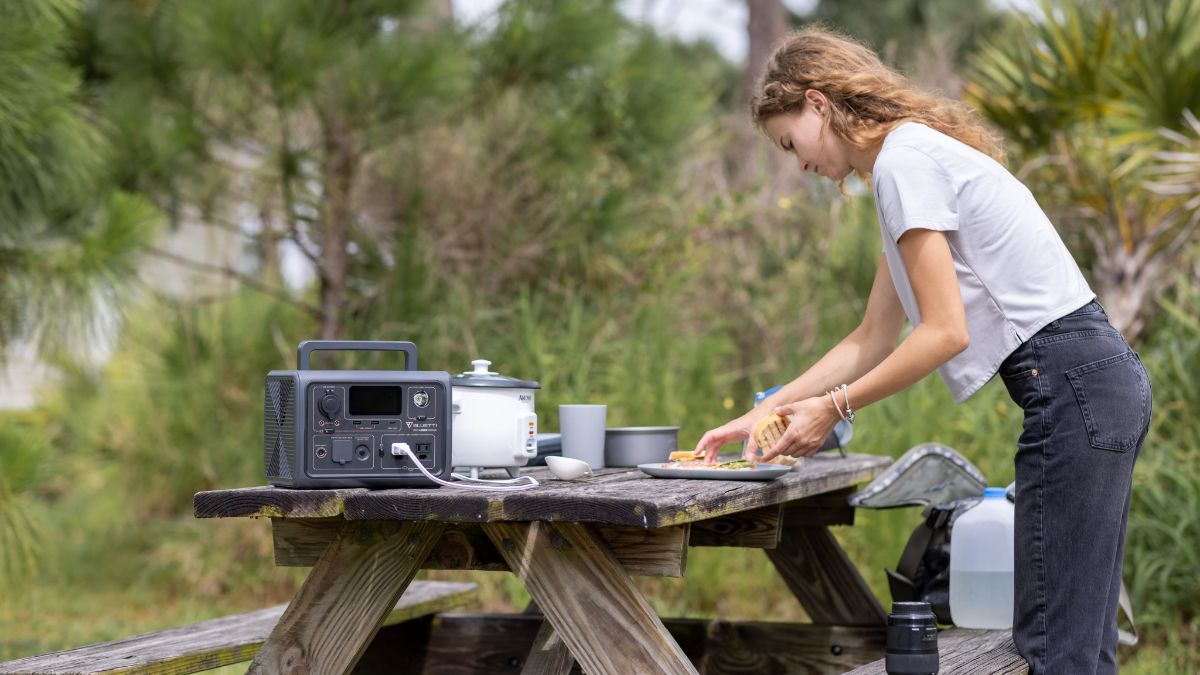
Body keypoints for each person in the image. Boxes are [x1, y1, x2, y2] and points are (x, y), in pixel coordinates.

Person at [692, 26, 1151, 675]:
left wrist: (833, 408)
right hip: (1095, 382)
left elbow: (944, 331)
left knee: (1058, 647)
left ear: (818, 104)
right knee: (1075, 641)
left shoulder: (905, 166)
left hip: (1073, 385)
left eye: (791, 142)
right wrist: (761, 412)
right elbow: (872, 336)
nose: (798, 164)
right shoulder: (907, 164)